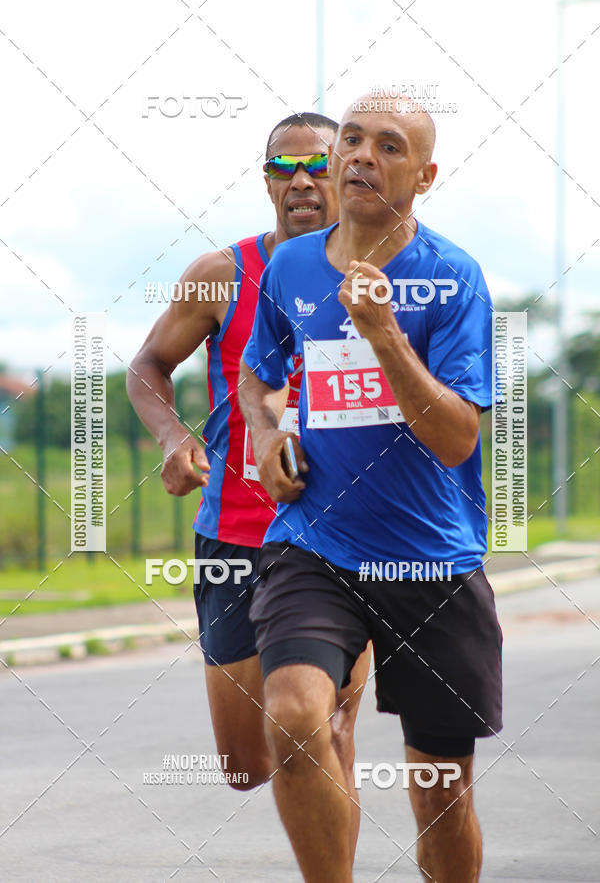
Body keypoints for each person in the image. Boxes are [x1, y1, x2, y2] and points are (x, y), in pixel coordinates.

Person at [239, 93, 502, 882]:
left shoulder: (451, 278)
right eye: (349, 141)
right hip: (315, 544)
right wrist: (264, 432)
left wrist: (385, 333)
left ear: (422, 175)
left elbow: (457, 436)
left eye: (386, 146)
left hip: (430, 560)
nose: (357, 156)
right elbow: (259, 369)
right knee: (290, 715)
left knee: (440, 793)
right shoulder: (291, 266)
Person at [126, 112, 371, 861]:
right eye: (281, 167)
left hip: (341, 540)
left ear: (344, 174)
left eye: (316, 164)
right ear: (265, 179)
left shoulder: (378, 275)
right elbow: (147, 368)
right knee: (246, 765)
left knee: (326, 728)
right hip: (234, 536)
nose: (300, 180)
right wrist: (175, 438)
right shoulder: (221, 274)